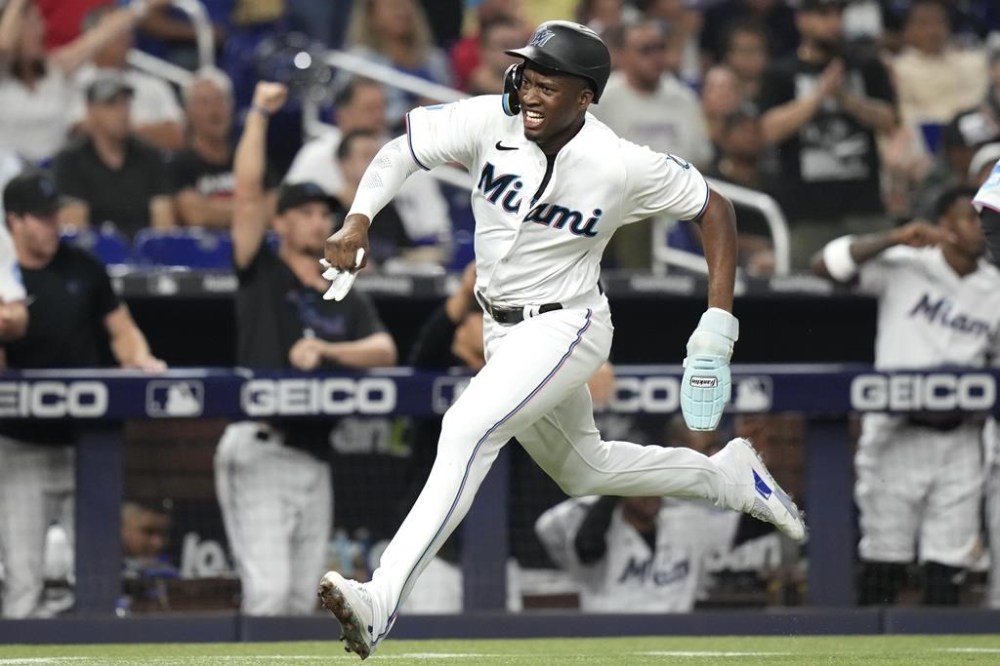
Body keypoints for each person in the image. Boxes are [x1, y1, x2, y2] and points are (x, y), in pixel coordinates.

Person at [317, 21, 805, 659]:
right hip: (500, 326)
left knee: (466, 428)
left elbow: (716, 209)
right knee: (584, 470)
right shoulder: (489, 120)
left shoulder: (620, 162)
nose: (531, 93)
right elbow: (401, 150)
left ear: (586, 97)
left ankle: (381, 599)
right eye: (528, 77)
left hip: (567, 323)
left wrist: (717, 324)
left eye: (550, 83)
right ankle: (726, 477)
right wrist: (359, 218)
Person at [214, 82, 397, 617]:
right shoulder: (262, 272)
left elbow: (385, 348)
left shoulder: (341, 287)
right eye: (307, 212)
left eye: (326, 213)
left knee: (301, 602)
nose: (319, 221)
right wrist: (257, 116)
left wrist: (328, 351)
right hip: (262, 444)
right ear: (282, 223)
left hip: (316, 457)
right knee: (269, 597)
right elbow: (247, 192)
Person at [812, 186, 1000, 605]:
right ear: (946, 225)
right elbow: (824, 264)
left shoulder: (995, 287)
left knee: (947, 571)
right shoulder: (906, 264)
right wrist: (894, 237)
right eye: (971, 218)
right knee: (884, 564)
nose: (982, 228)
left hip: (960, 438)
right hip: (896, 431)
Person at [0, 170, 165, 618]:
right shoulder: (4, 278)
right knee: (22, 581)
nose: (53, 224)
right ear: (13, 220)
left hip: (87, 446)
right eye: (41, 216)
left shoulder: (83, 267)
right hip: (20, 447)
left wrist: (140, 358)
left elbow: (122, 330)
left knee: (95, 581)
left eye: (55, 214)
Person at [534, 425, 739, 613]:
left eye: (653, 480)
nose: (650, 491)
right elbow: (579, 544)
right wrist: (613, 483)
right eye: (639, 483)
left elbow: (745, 524)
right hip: (610, 635)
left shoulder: (687, 520)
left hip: (675, 636)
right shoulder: (596, 523)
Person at [757, 0, 897, 269]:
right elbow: (770, 130)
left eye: (838, 14)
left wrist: (847, 100)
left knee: (879, 288)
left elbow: (890, 120)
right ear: (802, 20)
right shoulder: (780, 73)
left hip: (865, 208)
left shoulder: (867, 65)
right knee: (805, 296)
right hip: (808, 214)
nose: (833, 23)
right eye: (823, 14)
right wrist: (819, 96)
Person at [0, 0, 170, 165]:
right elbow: (3, 47)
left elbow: (105, 31)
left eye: (39, 21)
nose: (42, 29)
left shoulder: (56, 71)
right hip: (9, 178)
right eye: (31, 23)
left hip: (55, 175)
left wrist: (144, 6)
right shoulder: (3, 81)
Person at [54, 73, 175, 238]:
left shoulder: (150, 156)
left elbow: (163, 223)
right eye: (111, 104)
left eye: (125, 103)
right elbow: (75, 227)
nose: (122, 112)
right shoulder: (71, 161)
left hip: (145, 258)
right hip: (96, 254)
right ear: (91, 110)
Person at [69, 4, 186, 152]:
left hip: (155, 169)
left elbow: (177, 137)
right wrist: (150, 130)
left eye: (128, 32)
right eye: (117, 32)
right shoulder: (74, 84)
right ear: (94, 37)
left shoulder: (153, 84)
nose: (126, 38)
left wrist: (117, 128)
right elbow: (80, 132)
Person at [173, 67, 277, 229]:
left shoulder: (249, 156)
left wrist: (214, 210)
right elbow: (196, 215)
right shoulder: (178, 165)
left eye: (220, 100)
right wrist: (252, 209)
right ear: (188, 112)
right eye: (205, 103)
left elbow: (273, 210)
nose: (215, 111)